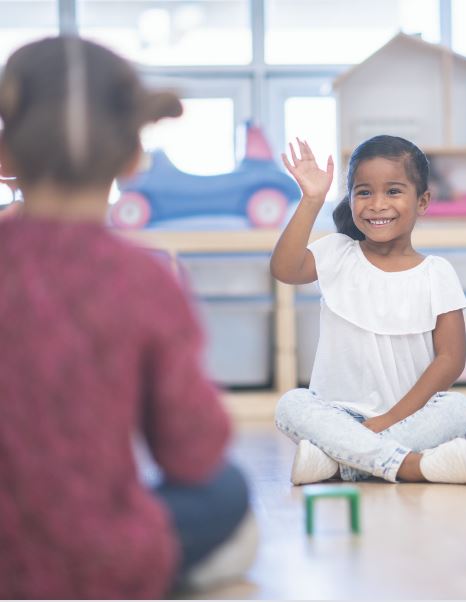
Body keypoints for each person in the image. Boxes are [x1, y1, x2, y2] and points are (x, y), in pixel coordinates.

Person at [0, 36, 256, 598]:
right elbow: (192, 454)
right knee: (228, 488)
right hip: (100, 557)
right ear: (134, 155)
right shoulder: (142, 280)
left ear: (5, 155)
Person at [271, 135, 466, 485]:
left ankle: (336, 464)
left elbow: (451, 360)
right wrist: (311, 200)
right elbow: (285, 269)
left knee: (461, 411)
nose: (377, 204)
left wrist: (389, 420)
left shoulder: (436, 272)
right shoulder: (337, 252)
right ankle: (410, 465)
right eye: (364, 192)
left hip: (410, 417)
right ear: (350, 199)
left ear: (422, 200)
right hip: (337, 415)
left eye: (394, 191)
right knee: (291, 404)